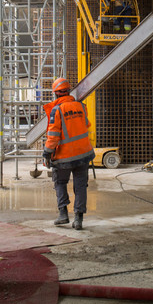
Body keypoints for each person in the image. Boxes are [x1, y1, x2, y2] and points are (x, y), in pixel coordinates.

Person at [42, 78, 95, 230]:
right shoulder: (81, 107)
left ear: (56, 94)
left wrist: (47, 153)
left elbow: (53, 135)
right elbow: (85, 125)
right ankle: (78, 219)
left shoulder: (56, 110)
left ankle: (63, 214)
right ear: (68, 91)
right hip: (83, 154)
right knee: (80, 186)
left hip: (64, 156)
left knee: (60, 182)